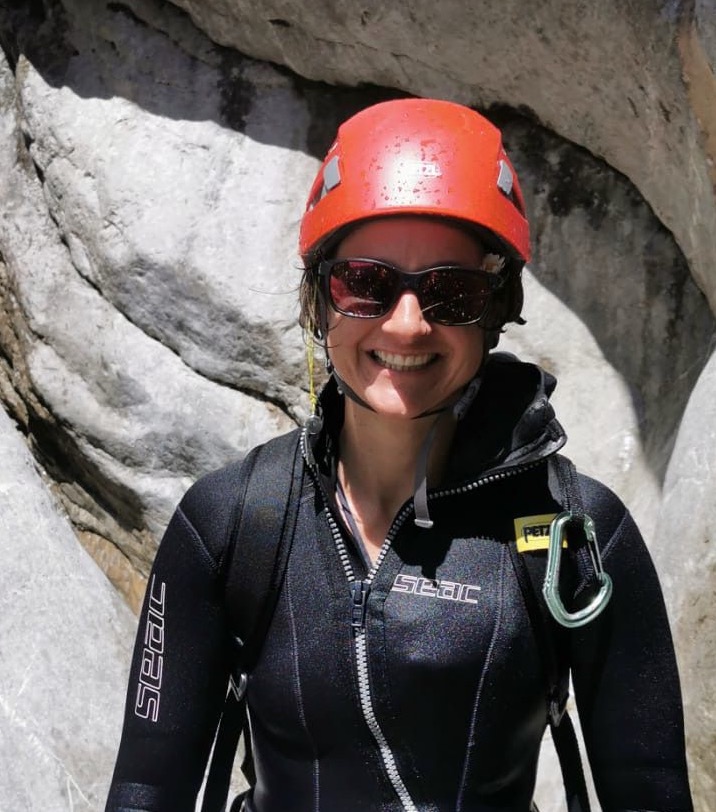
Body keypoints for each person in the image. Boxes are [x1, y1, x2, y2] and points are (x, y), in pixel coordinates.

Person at [105, 98, 693, 811]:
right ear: (319, 301)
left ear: (496, 310)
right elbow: (146, 789)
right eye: (366, 283)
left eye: (452, 291)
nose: (408, 324)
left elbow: (649, 792)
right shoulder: (232, 523)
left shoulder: (580, 535)